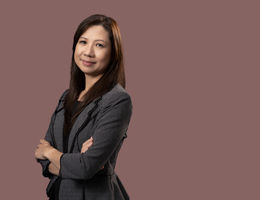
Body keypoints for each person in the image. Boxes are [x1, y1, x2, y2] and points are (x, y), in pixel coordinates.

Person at [34, 14, 133, 200]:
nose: (88, 52)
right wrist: (75, 163)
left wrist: (51, 152)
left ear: (113, 53)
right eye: (83, 42)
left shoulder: (118, 100)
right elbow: (43, 161)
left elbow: (86, 166)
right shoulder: (66, 97)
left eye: (99, 45)